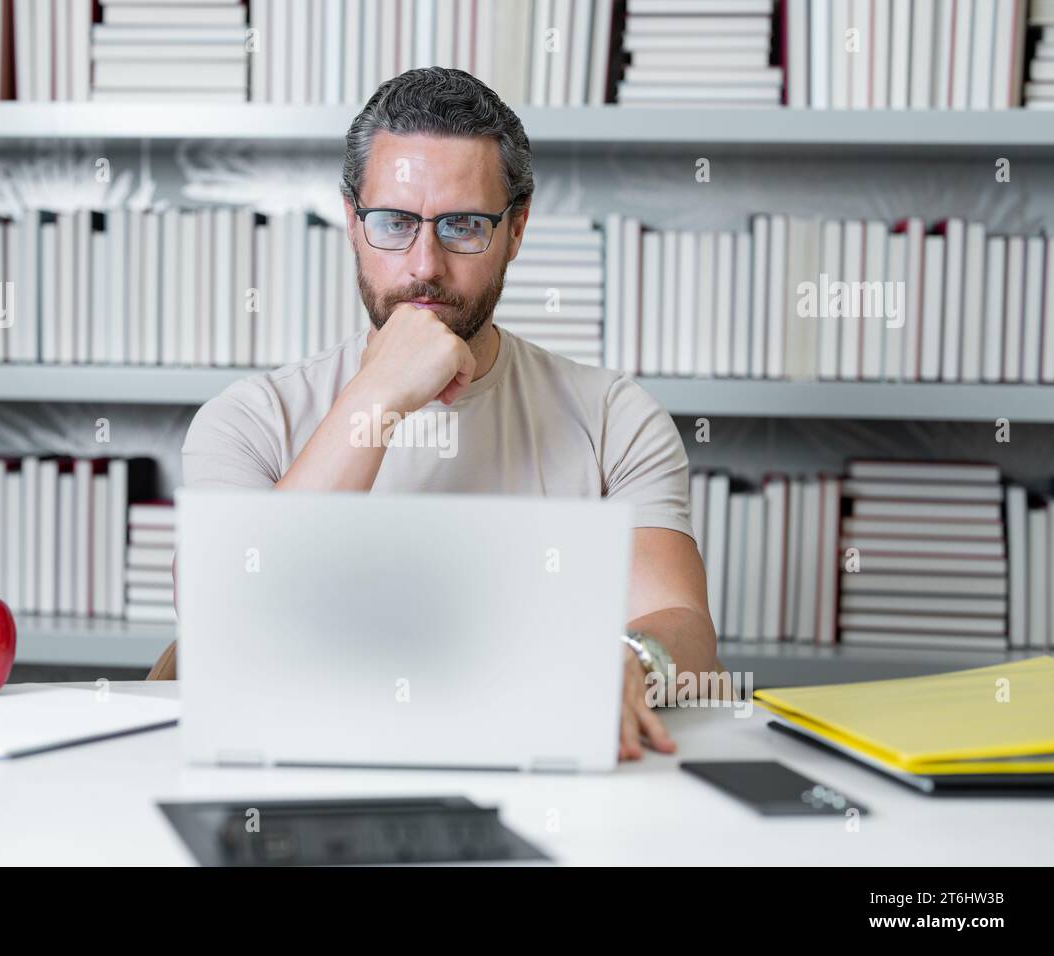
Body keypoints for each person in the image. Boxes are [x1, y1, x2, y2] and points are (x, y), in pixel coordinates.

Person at [150, 67, 723, 761]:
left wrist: (633, 656)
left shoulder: (614, 416)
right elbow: (226, 621)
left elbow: (686, 630)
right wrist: (377, 394)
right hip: (300, 777)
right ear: (352, 222)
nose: (425, 266)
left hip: (537, 772)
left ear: (516, 229)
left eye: (463, 225)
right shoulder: (249, 418)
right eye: (394, 222)